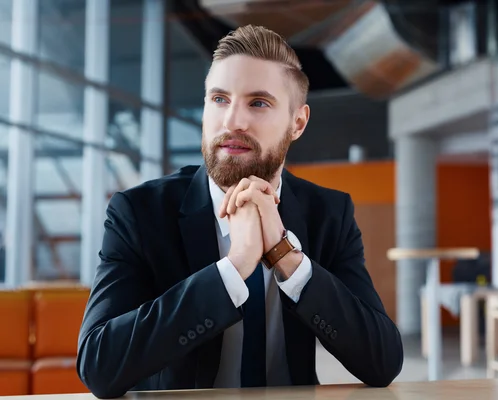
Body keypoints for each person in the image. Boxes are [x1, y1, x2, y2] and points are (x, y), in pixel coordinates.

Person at [76, 24, 403, 399]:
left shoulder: (329, 213)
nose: (232, 121)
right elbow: (99, 366)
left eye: (258, 103)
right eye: (219, 99)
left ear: (297, 122)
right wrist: (232, 269)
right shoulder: (139, 212)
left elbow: (383, 361)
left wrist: (286, 258)